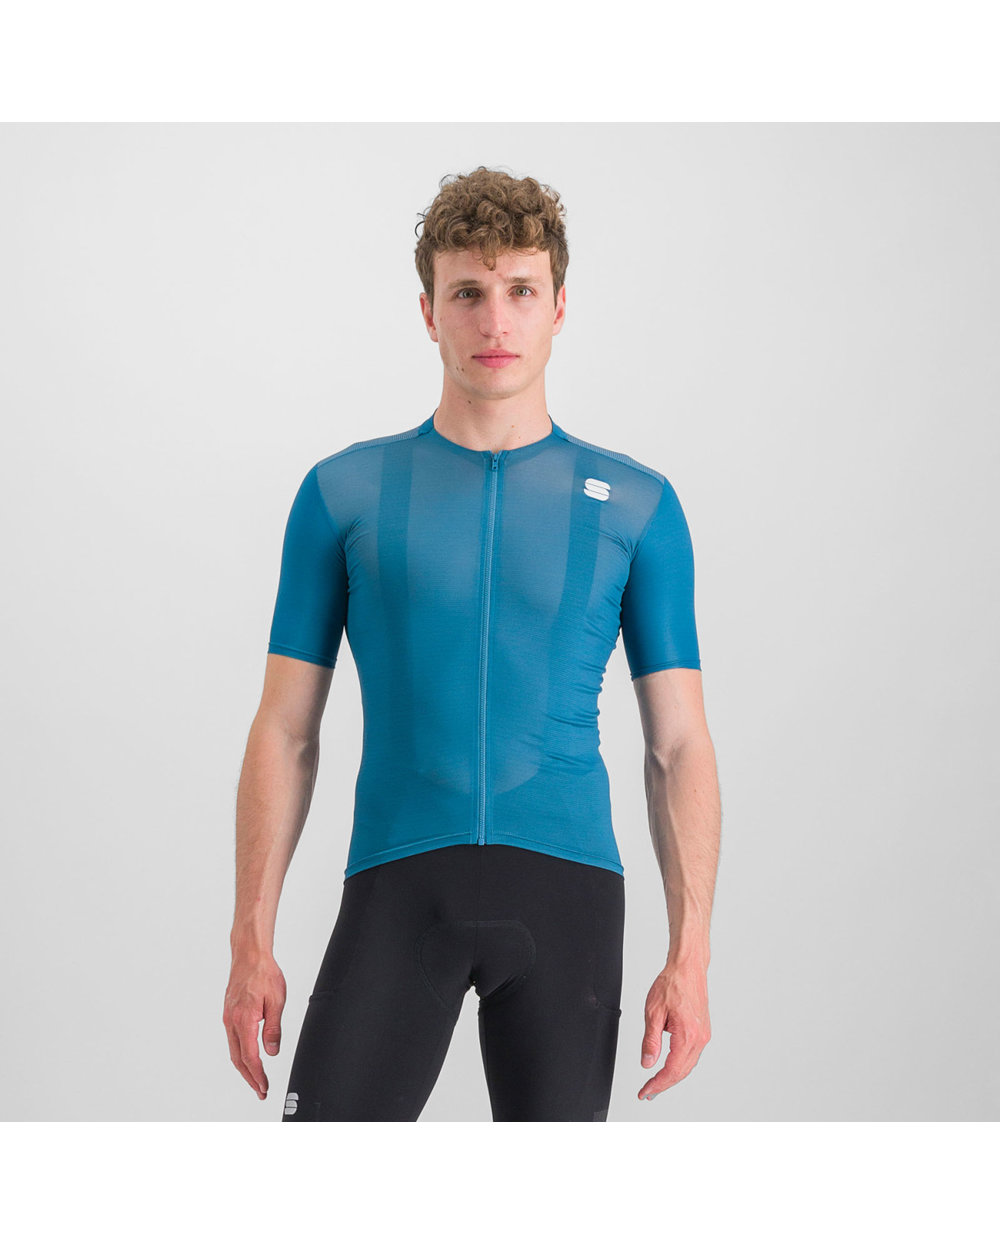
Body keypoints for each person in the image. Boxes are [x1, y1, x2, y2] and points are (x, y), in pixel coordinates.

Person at [223, 166, 721, 1121]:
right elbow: (285, 729)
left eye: (521, 291)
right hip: (397, 882)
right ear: (428, 312)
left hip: (569, 896)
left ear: (559, 307)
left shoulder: (639, 507)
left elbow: (679, 744)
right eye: (468, 293)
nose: (496, 321)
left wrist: (690, 954)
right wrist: (251, 939)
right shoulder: (344, 493)